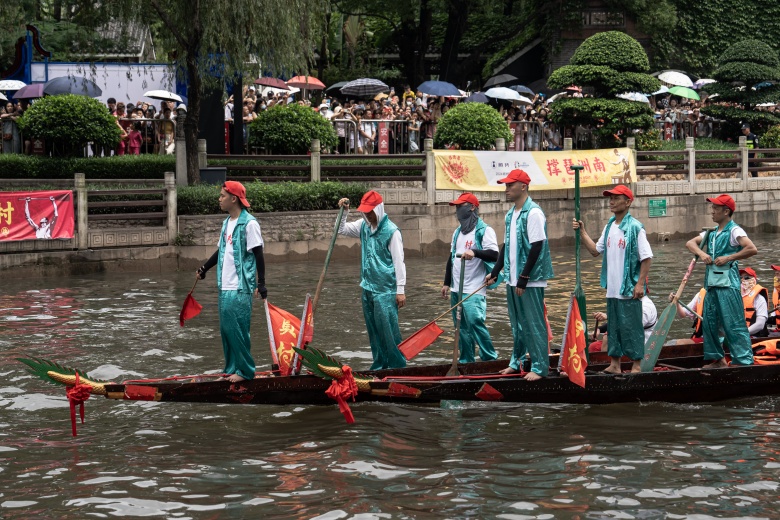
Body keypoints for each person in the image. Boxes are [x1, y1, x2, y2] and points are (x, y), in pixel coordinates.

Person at [573, 185, 652, 374]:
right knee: (614, 328)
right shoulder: (609, 226)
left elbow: (647, 257)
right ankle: (615, 364)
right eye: (610, 198)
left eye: (616, 198)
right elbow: (594, 251)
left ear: (628, 201)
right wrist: (582, 232)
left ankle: (636, 365)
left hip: (629, 287)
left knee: (632, 327)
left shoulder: (635, 228)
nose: (612, 201)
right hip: (612, 288)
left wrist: (640, 283)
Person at [195, 181, 267, 383]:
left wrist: (261, 283)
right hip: (224, 285)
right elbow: (221, 251)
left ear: (233, 199)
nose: (219, 199)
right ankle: (231, 369)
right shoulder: (227, 223)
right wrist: (205, 268)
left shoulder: (249, 223)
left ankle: (246, 371)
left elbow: (259, 254)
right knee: (227, 330)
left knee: (238, 329)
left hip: (241, 286)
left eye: (222, 196)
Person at [487, 169, 554, 380]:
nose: (506, 189)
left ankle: (540, 367)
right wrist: (496, 272)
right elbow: (505, 246)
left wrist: (525, 277)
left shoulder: (533, 212)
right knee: (517, 325)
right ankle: (516, 363)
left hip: (530, 280)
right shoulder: (510, 214)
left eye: (510, 185)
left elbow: (537, 247)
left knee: (533, 324)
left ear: (523, 186)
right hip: (513, 278)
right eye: (506, 185)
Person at [685, 194, 757, 368]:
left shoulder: (735, 230)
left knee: (733, 323)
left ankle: (743, 361)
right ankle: (718, 360)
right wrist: (703, 254)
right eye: (712, 208)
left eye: (716, 208)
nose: (712, 211)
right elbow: (690, 243)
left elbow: (752, 248)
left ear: (726, 211)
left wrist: (729, 257)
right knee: (709, 322)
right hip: (711, 284)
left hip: (728, 284)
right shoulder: (711, 233)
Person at [337, 191, 407, 370]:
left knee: (389, 333)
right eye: (365, 211)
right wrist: (344, 212)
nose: (368, 214)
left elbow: (399, 262)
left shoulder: (392, 232)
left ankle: (397, 367)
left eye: (370, 211)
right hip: (367, 287)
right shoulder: (364, 226)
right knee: (374, 332)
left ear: (378, 209)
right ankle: (379, 366)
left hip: (385, 290)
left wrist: (400, 290)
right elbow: (341, 229)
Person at [441, 193, 499, 364]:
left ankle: (489, 358)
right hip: (456, 288)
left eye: (461, 206)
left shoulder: (484, 230)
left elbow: (495, 255)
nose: (458, 210)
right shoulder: (457, 232)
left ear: (472, 207)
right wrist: (446, 283)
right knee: (461, 328)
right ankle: (466, 361)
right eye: (457, 207)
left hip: (475, 288)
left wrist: (475, 252)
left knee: (475, 323)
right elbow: (451, 258)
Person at [590, 295, 658, 352]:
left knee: (607, 338)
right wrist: (600, 329)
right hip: (629, 340)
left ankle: (608, 365)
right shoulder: (632, 301)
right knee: (593, 347)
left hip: (642, 345)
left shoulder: (646, 307)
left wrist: (609, 316)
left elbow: (630, 325)